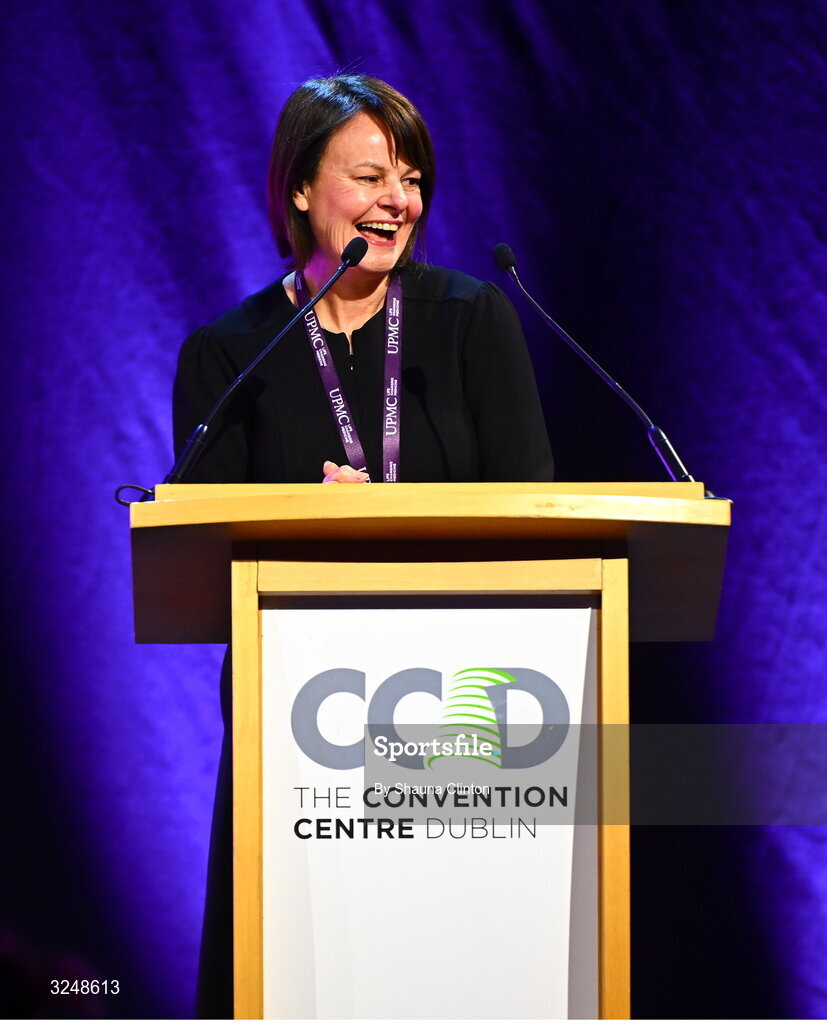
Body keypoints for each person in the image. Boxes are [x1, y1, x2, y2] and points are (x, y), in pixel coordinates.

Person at [173, 74, 554, 1017]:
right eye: (373, 176)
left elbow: (538, 512)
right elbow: (195, 551)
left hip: (463, 712)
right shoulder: (233, 353)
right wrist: (301, 515)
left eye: (412, 178)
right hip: (301, 718)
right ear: (301, 190)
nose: (401, 201)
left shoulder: (469, 321)